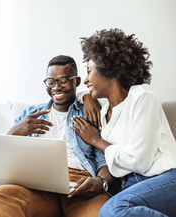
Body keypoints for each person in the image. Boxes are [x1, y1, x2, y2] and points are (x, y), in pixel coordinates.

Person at [0, 55, 116, 217]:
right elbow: (1, 159)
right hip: (36, 187)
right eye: (50, 81)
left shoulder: (90, 112)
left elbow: (105, 159)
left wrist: (100, 183)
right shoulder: (30, 115)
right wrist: (15, 130)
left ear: (77, 81)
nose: (56, 87)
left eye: (63, 80)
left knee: (101, 212)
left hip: (79, 185)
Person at [71, 28, 176, 217]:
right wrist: (86, 96)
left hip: (165, 178)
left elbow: (139, 161)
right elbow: (75, 95)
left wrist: (96, 141)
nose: (85, 79)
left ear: (108, 68)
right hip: (132, 186)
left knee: (112, 210)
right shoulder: (104, 112)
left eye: (89, 70)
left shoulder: (142, 96)